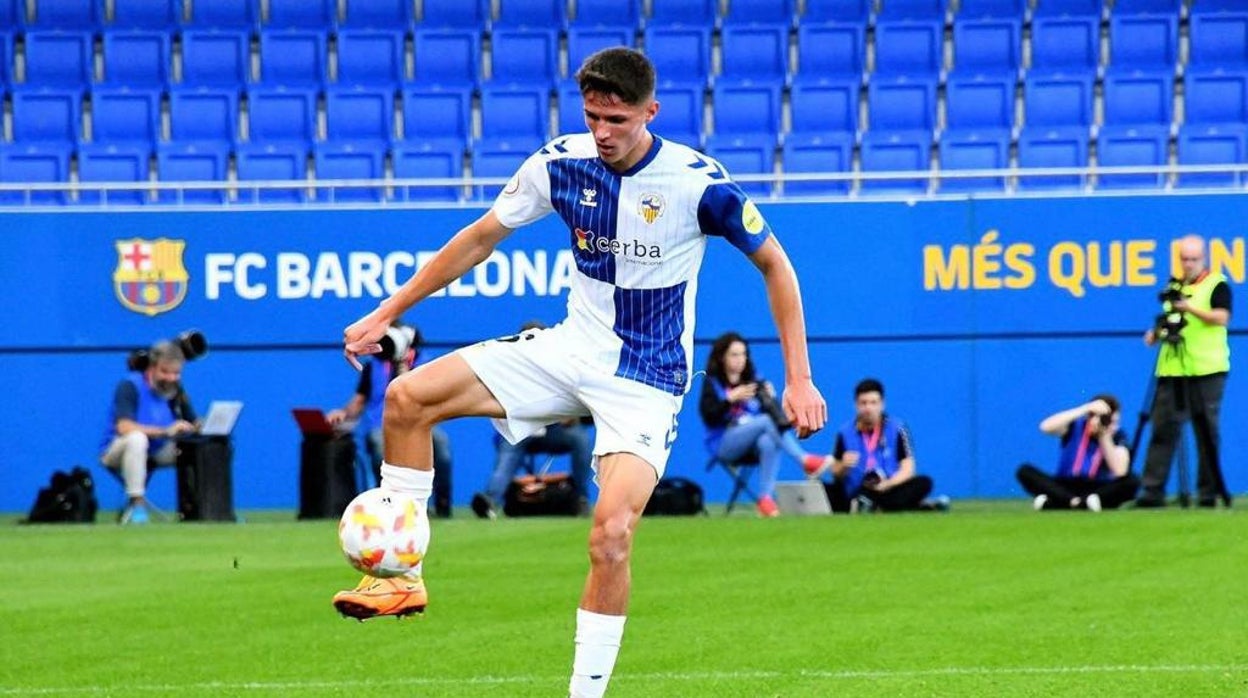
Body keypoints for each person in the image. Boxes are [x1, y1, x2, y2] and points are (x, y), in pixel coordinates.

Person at [330, 47, 828, 698]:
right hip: (569, 349)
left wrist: (799, 378)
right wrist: (387, 312)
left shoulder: (698, 184)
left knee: (612, 535)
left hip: (646, 377)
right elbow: (480, 238)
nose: (602, 132)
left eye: (617, 119)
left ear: (651, 112)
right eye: (593, 115)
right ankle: (400, 577)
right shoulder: (559, 164)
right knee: (406, 399)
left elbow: (777, 266)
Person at [1137, 234, 1232, 508]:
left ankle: (1208, 493)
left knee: (1206, 433)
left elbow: (1222, 317)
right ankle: (1152, 491)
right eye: (1184, 259)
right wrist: (1156, 333)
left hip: (1206, 369)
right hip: (1172, 368)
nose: (1188, 264)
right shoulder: (1174, 285)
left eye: (1193, 259)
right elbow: (1171, 319)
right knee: (1163, 428)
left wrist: (1189, 307)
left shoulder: (1216, 284)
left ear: (1203, 258)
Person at [327, 320, 453, 518]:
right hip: (381, 426)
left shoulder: (426, 363)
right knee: (378, 447)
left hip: (421, 425)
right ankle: (389, 505)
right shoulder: (374, 366)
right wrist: (343, 413)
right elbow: (359, 401)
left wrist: (405, 370)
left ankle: (443, 506)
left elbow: (433, 397)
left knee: (442, 445)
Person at [471, 320, 595, 519]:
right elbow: (495, 405)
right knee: (509, 449)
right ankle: (490, 501)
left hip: (556, 431)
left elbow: (584, 401)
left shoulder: (563, 366)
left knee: (580, 439)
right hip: (522, 430)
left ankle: (580, 499)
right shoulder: (509, 369)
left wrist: (573, 415)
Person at [699, 331, 831, 517]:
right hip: (724, 442)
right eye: (734, 355)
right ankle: (804, 460)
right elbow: (709, 416)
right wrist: (730, 399)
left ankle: (765, 499)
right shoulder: (713, 383)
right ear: (722, 357)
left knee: (769, 441)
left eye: (743, 354)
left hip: (753, 443)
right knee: (766, 422)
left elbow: (775, 417)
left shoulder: (754, 380)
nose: (740, 360)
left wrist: (771, 398)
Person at [100, 340, 198, 524]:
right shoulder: (130, 386)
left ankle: (203, 508)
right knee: (137, 439)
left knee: (206, 446)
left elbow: (193, 421)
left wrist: (204, 426)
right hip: (117, 449)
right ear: (152, 368)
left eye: (176, 373)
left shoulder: (175, 389)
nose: (171, 378)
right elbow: (124, 427)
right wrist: (165, 431)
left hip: (158, 449)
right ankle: (137, 505)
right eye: (165, 372)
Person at [819, 378, 943, 513]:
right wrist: (844, 465)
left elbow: (908, 468)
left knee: (924, 482)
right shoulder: (845, 432)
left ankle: (873, 505)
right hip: (856, 488)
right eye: (863, 403)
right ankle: (908, 507)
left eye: (873, 403)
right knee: (823, 489)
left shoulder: (898, 429)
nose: (868, 408)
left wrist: (887, 484)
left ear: (882, 404)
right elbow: (835, 472)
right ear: (856, 405)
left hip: (888, 487)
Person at [1016, 395, 1139, 511]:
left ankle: (1059, 503)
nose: (1112, 425)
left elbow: (1120, 470)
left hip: (1097, 487)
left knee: (1132, 481)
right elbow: (1045, 427)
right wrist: (1084, 408)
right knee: (1025, 471)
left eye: (1114, 422)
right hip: (1065, 484)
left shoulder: (1117, 436)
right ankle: (1077, 503)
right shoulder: (1075, 427)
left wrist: (1104, 436)